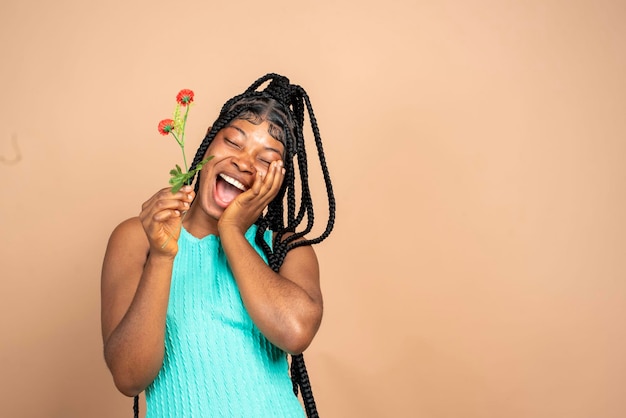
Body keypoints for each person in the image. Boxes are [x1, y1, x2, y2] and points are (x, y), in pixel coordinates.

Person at [101, 73, 335, 418]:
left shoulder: (285, 248)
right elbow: (129, 376)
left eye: (266, 160)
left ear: (278, 180)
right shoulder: (137, 238)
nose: (244, 162)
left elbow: (295, 332)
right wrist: (163, 256)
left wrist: (233, 231)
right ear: (208, 144)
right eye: (233, 142)